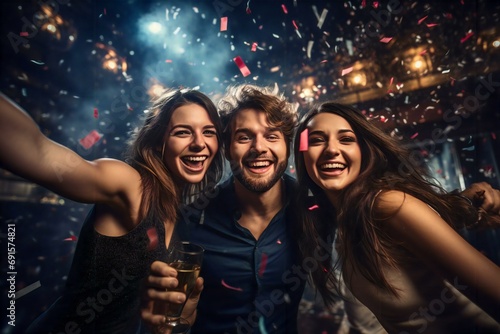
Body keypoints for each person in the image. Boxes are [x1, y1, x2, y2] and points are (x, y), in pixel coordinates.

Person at [0, 89, 224, 333]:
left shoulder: (178, 216)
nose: (199, 143)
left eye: (208, 132)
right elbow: (39, 151)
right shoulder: (129, 183)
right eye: (183, 132)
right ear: (159, 141)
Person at [293, 101, 500, 333]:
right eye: (317, 140)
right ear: (302, 155)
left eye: (346, 139)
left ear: (364, 150)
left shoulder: (386, 205)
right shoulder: (343, 224)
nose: (331, 149)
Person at [142, 84, 306, 334]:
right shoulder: (191, 220)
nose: (259, 147)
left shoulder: (312, 210)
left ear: (288, 146)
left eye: (272, 136)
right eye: (244, 137)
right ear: (227, 148)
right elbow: (167, 318)